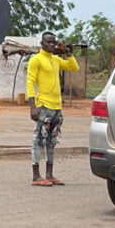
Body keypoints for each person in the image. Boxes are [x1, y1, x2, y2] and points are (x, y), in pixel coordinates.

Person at [26, 31, 79, 186]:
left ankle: (49, 174)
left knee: (52, 140)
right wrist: (32, 107)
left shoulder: (55, 60)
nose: (51, 45)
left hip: (57, 106)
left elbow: (73, 66)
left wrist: (67, 51)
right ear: (41, 44)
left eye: (53, 42)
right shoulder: (36, 60)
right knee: (39, 139)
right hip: (43, 106)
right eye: (48, 42)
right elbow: (30, 83)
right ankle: (36, 176)